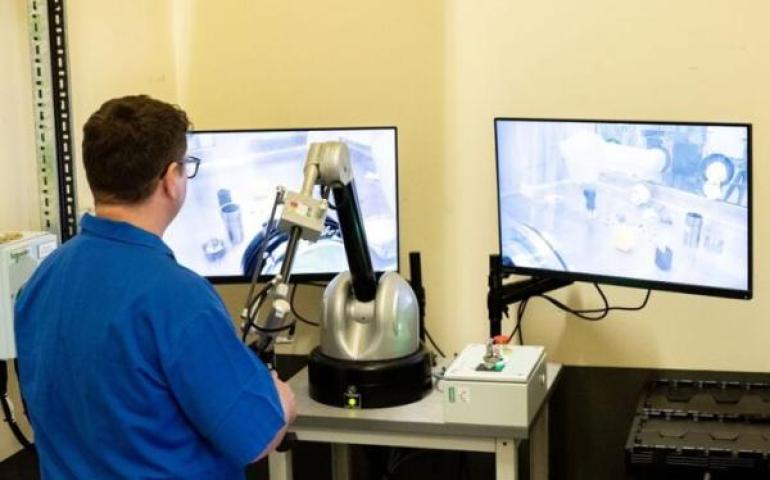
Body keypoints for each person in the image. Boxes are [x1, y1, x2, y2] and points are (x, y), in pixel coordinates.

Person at [14, 95, 296, 479]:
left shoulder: (40, 281)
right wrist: (282, 400)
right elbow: (256, 438)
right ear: (171, 179)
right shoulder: (178, 299)